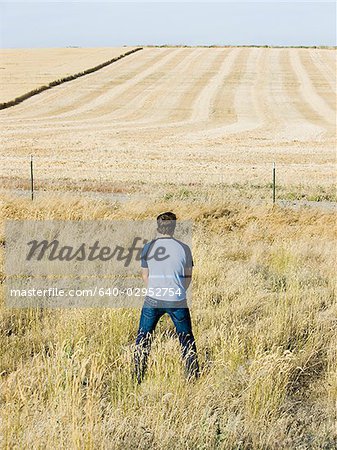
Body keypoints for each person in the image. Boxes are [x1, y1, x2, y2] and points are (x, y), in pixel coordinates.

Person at [134, 211, 199, 383]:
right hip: (177, 299)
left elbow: (145, 275)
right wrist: (176, 290)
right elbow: (188, 277)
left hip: (153, 298)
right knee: (186, 338)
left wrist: (156, 290)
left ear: (158, 227)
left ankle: (138, 375)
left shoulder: (148, 247)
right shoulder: (184, 248)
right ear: (174, 228)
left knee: (143, 336)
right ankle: (192, 376)